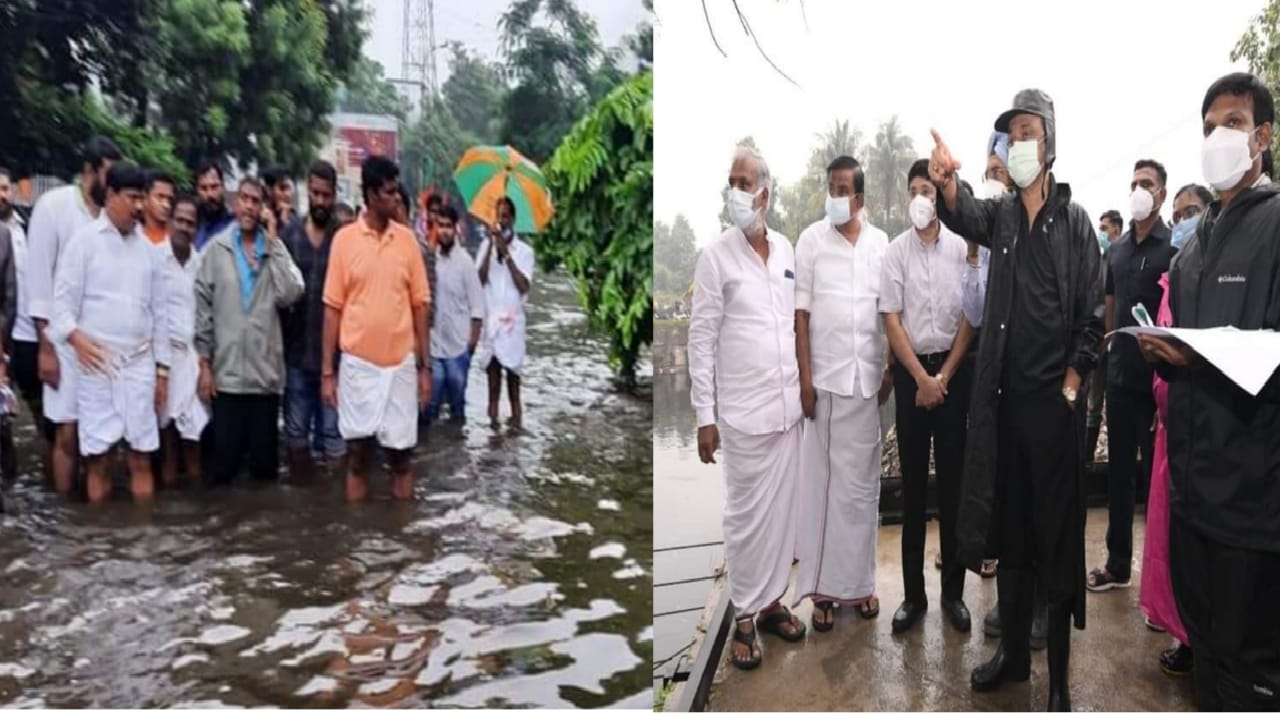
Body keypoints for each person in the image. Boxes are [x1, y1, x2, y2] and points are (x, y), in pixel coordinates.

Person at [930, 88, 1104, 711]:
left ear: (1049, 142)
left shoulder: (1076, 223)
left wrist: (1073, 384)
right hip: (1003, 411)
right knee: (1014, 537)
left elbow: (1092, 314)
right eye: (1011, 134)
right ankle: (1009, 661)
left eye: (1028, 131)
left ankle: (1056, 679)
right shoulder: (1002, 216)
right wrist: (946, 186)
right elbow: (963, 214)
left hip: (1053, 415)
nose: (1018, 143)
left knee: (1056, 545)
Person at [1138, 72, 1280, 712]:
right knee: (1208, 673)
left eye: (1230, 123)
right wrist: (1167, 359)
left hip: (1252, 512)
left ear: (1262, 138)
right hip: (1192, 503)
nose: (1217, 138)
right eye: (1207, 128)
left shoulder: (1276, 226)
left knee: (1251, 679)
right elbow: (1186, 355)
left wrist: (1197, 359)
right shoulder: (1190, 254)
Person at [688, 144, 806, 671]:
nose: (736, 190)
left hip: (787, 412)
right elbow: (700, 339)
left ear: (765, 192)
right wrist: (703, 416)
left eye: (744, 181)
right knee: (743, 518)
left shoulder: (785, 250)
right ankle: (742, 615)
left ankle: (773, 601)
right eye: (730, 180)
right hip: (740, 415)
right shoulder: (716, 256)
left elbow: (797, 325)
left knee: (782, 517)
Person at [792, 156, 891, 631]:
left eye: (843, 189)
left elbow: (890, 312)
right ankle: (824, 593)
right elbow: (802, 316)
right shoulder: (811, 241)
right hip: (827, 384)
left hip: (866, 381)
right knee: (826, 491)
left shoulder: (880, 244)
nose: (834, 196)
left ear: (860, 199)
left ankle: (862, 585)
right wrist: (805, 380)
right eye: (830, 187)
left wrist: (890, 367)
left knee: (862, 491)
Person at [880, 159, 975, 634]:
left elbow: (970, 317)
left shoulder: (961, 248)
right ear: (907, 197)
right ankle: (913, 597)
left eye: (929, 190)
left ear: (940, 196)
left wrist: (945, 377)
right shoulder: (895, 253)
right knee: (913, 489)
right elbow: (892, 319)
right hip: (911, 376)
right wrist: (920, 378)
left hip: (955, 374)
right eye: (915, 189)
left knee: (954, 489)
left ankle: (954, 595)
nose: (922, 197)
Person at [50, 163, 169, 503]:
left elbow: (160, 315)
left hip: (140, 365)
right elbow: (61, 307)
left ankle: (142, 545)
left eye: (141, 199)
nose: (138, 207)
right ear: (111, 195)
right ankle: (100, 547)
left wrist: (162, 371)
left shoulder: (149, 251)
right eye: (132, 198)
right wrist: (76, 338)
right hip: (97, 366)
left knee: (141, 457)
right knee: (99, 459)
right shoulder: (83, 243)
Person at [321, 155, 431, 502]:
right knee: (357, 455)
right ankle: (356, 540)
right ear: (369, 195)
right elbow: (332, 309)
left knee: (401, 457)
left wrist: (425, 368)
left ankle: (401, 537)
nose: (395, 199)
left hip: (400, 365)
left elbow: (420, 305)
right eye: (387, 192)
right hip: (357, 367)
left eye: (396, 192)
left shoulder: (408, 241)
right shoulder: (344, 240)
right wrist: (327, 372)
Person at [1089, 160, 1176, 594]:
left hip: (1160, 383)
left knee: (1158, 482)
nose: (1140, 190)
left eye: (1148, 184)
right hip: (1121, 378)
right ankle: (1118, 564)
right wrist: (1106, 348)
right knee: (1120, 476)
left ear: (1162, 193)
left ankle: (1165, 583)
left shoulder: (1172, 249)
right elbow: (1110, 300)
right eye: (1135, 183)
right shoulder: (1117, 249)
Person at [27, 135, 122, 497]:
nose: (112, 186)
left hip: (102, 341)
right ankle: (66, 509)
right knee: (66, 430)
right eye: (108, 177)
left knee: (100, 433)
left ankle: (93, 509)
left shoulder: (114, 217)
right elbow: (39, 285)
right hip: (62, 340)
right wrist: (46, 348)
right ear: (89, 172)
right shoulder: (53, 207)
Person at [194, 177, 304, 486]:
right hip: (226, 379)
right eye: (244, 198)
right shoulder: (216, 251)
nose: (249, 206)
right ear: (235, 202)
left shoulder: (272, 251)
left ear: (263, 208)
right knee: (224, 471)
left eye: (256, 201)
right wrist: (204, 364)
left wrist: (273, 241)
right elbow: (202, 310)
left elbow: (291, 292)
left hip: (264, 380)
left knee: (264, 474)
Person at [1138, 268, 1193, 677]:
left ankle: (1197, 637)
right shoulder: (1172, 283)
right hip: (1169, 422)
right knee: (1166, 532)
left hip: (1202, 425)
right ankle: (1181, 630)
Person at [281, 160, 343, 481]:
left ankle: (331, 510)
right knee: (296, 435)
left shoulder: (344, 239)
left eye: (326, 195)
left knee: (334, 437)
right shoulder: (288, 235)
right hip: (296, 353)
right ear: (308, 191)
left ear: (335, 196)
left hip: (335, 357)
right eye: (315, 194)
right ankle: (304, 508)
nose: (320, 201)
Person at [156, 195, 207, 487]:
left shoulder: (201, 265)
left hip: (194, 359)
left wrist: (205, 366)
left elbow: (206, 316)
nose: (185, 227)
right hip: (165, 360)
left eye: (191, 223)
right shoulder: (155, 261)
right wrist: (158, 369)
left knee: (194, 435)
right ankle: (169, 496)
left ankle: (195, 508)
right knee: (167, 436)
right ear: (171, 221)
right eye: (181, 221)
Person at [476, 197, 535, 429]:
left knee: (513, 384)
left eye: (506, 216)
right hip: (492, 323)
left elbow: (524, 286)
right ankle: (493, 431)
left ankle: (516, 431)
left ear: (513, 219)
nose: (502, 220)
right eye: (498, 216)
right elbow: (478, 280)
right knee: (492, 386)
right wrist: (492, 246)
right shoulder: (485, 247)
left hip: (512, 325)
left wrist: (507, 255)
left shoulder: (525, 252)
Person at [426, 205, 483, 425]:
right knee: (430, 407)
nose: (444, 231)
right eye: (440, 226)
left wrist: (470, 349)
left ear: (456, 228)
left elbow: (477, 308)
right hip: (434, 346)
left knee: (457, 409)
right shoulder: (432, 260)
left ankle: (458, 450)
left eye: (448, 226)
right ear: (435, 228)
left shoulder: (466, 263)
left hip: (458, 349)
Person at [0, 166, 35, 481]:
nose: (1, 195)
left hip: (29, 333)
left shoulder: (29, 224)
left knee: (36, 412)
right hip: (5, 339)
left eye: (4, 188)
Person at [1086, 209, 1124, 460]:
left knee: (1118, 405)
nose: (1101, 232)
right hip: (1098, 339)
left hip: (1118, 340)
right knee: (1093, 402)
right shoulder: (1100, 259)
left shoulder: (1122, 256)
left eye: (1104, 228)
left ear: (1117, 229)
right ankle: (1087, 458)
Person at [193, 160, 234, 252]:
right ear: (197, 191)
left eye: (214, 187)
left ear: (223, 187)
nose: (210, 194)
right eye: (204, 188)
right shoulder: (190, 224)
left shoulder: (234, 224)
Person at [1169, 184, 1212, 251]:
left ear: (1209, 212)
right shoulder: (1174, 260)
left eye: (1190, 212)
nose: (1182, 222)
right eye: (1177, 217)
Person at [141, 170, 175, 246]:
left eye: (170, 199)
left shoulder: (175, 240)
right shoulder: (129, 233)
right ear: (145, 197)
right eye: (160, 197)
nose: (166, 205)